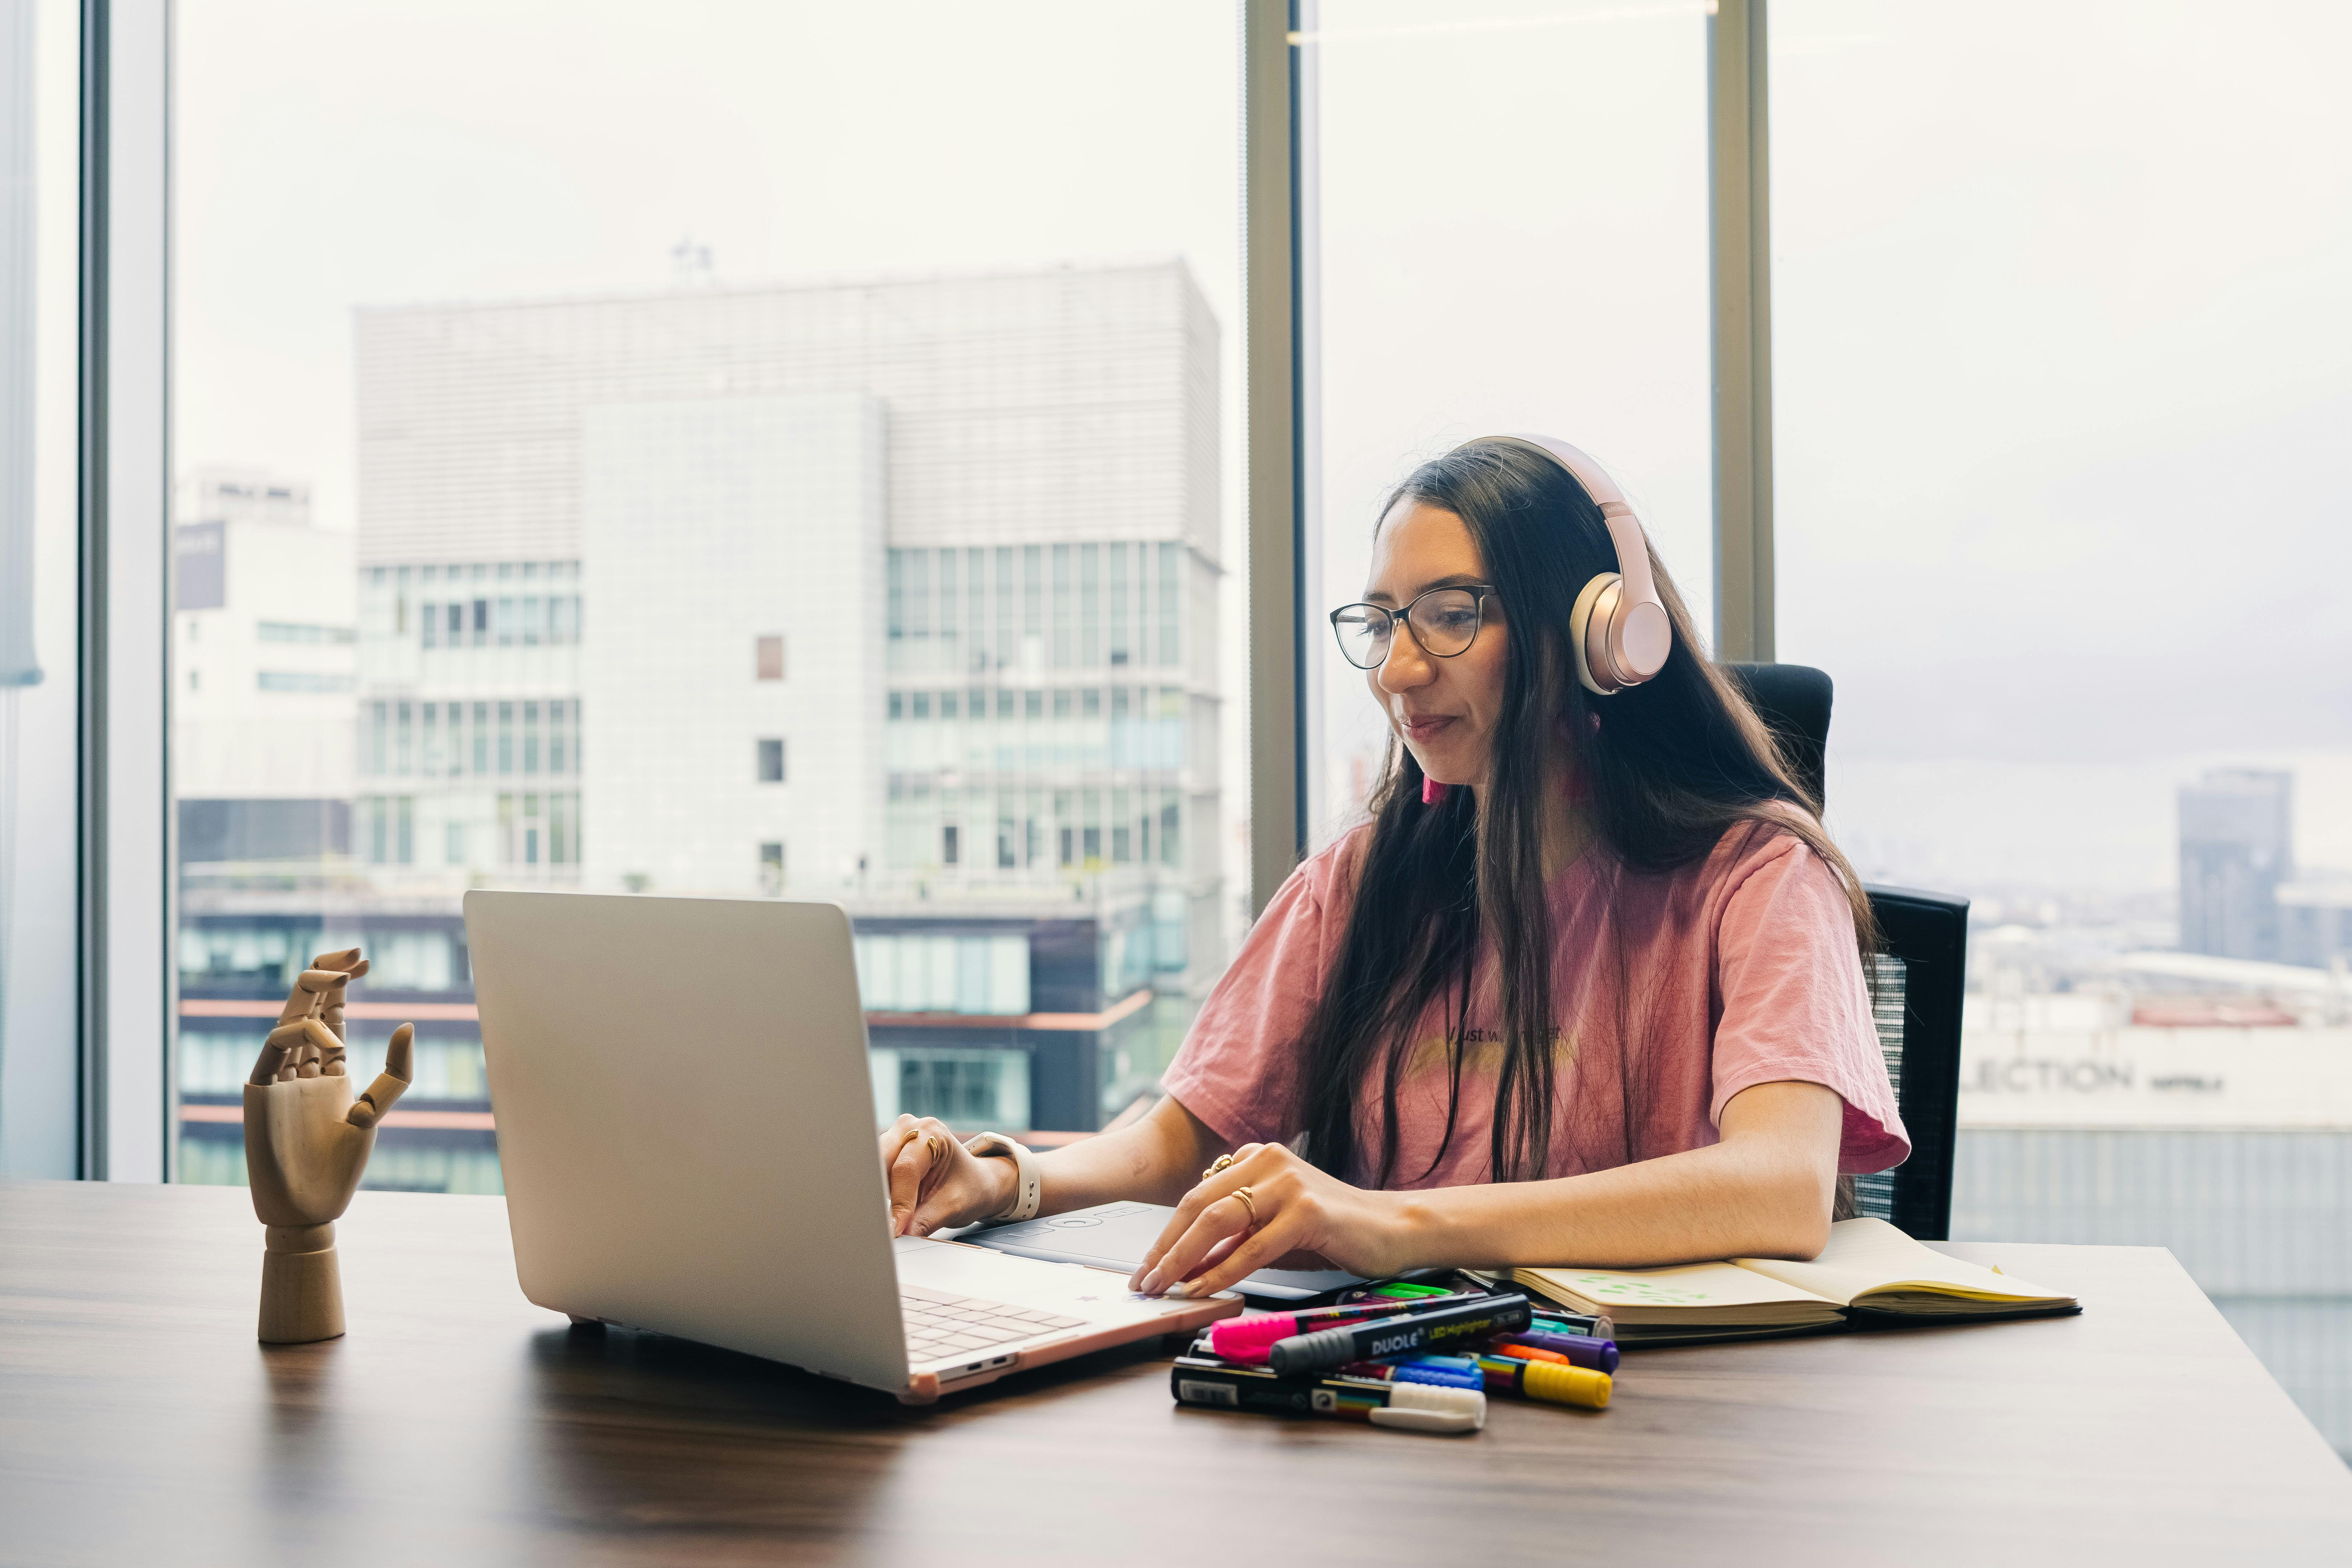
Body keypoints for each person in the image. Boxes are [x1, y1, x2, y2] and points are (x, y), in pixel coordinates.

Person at [877, 435, 1907, 1300]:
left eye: (1452, 614)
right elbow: (1182, 1145)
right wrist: (1005, 1178)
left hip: (1670, 1423)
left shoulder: (1759, 874)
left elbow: (1778, 1186)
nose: (1397, 671)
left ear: (1601, 634)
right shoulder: (1362, 881)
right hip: (1396, 1393)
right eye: (1381, 623)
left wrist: (1394, 1221)